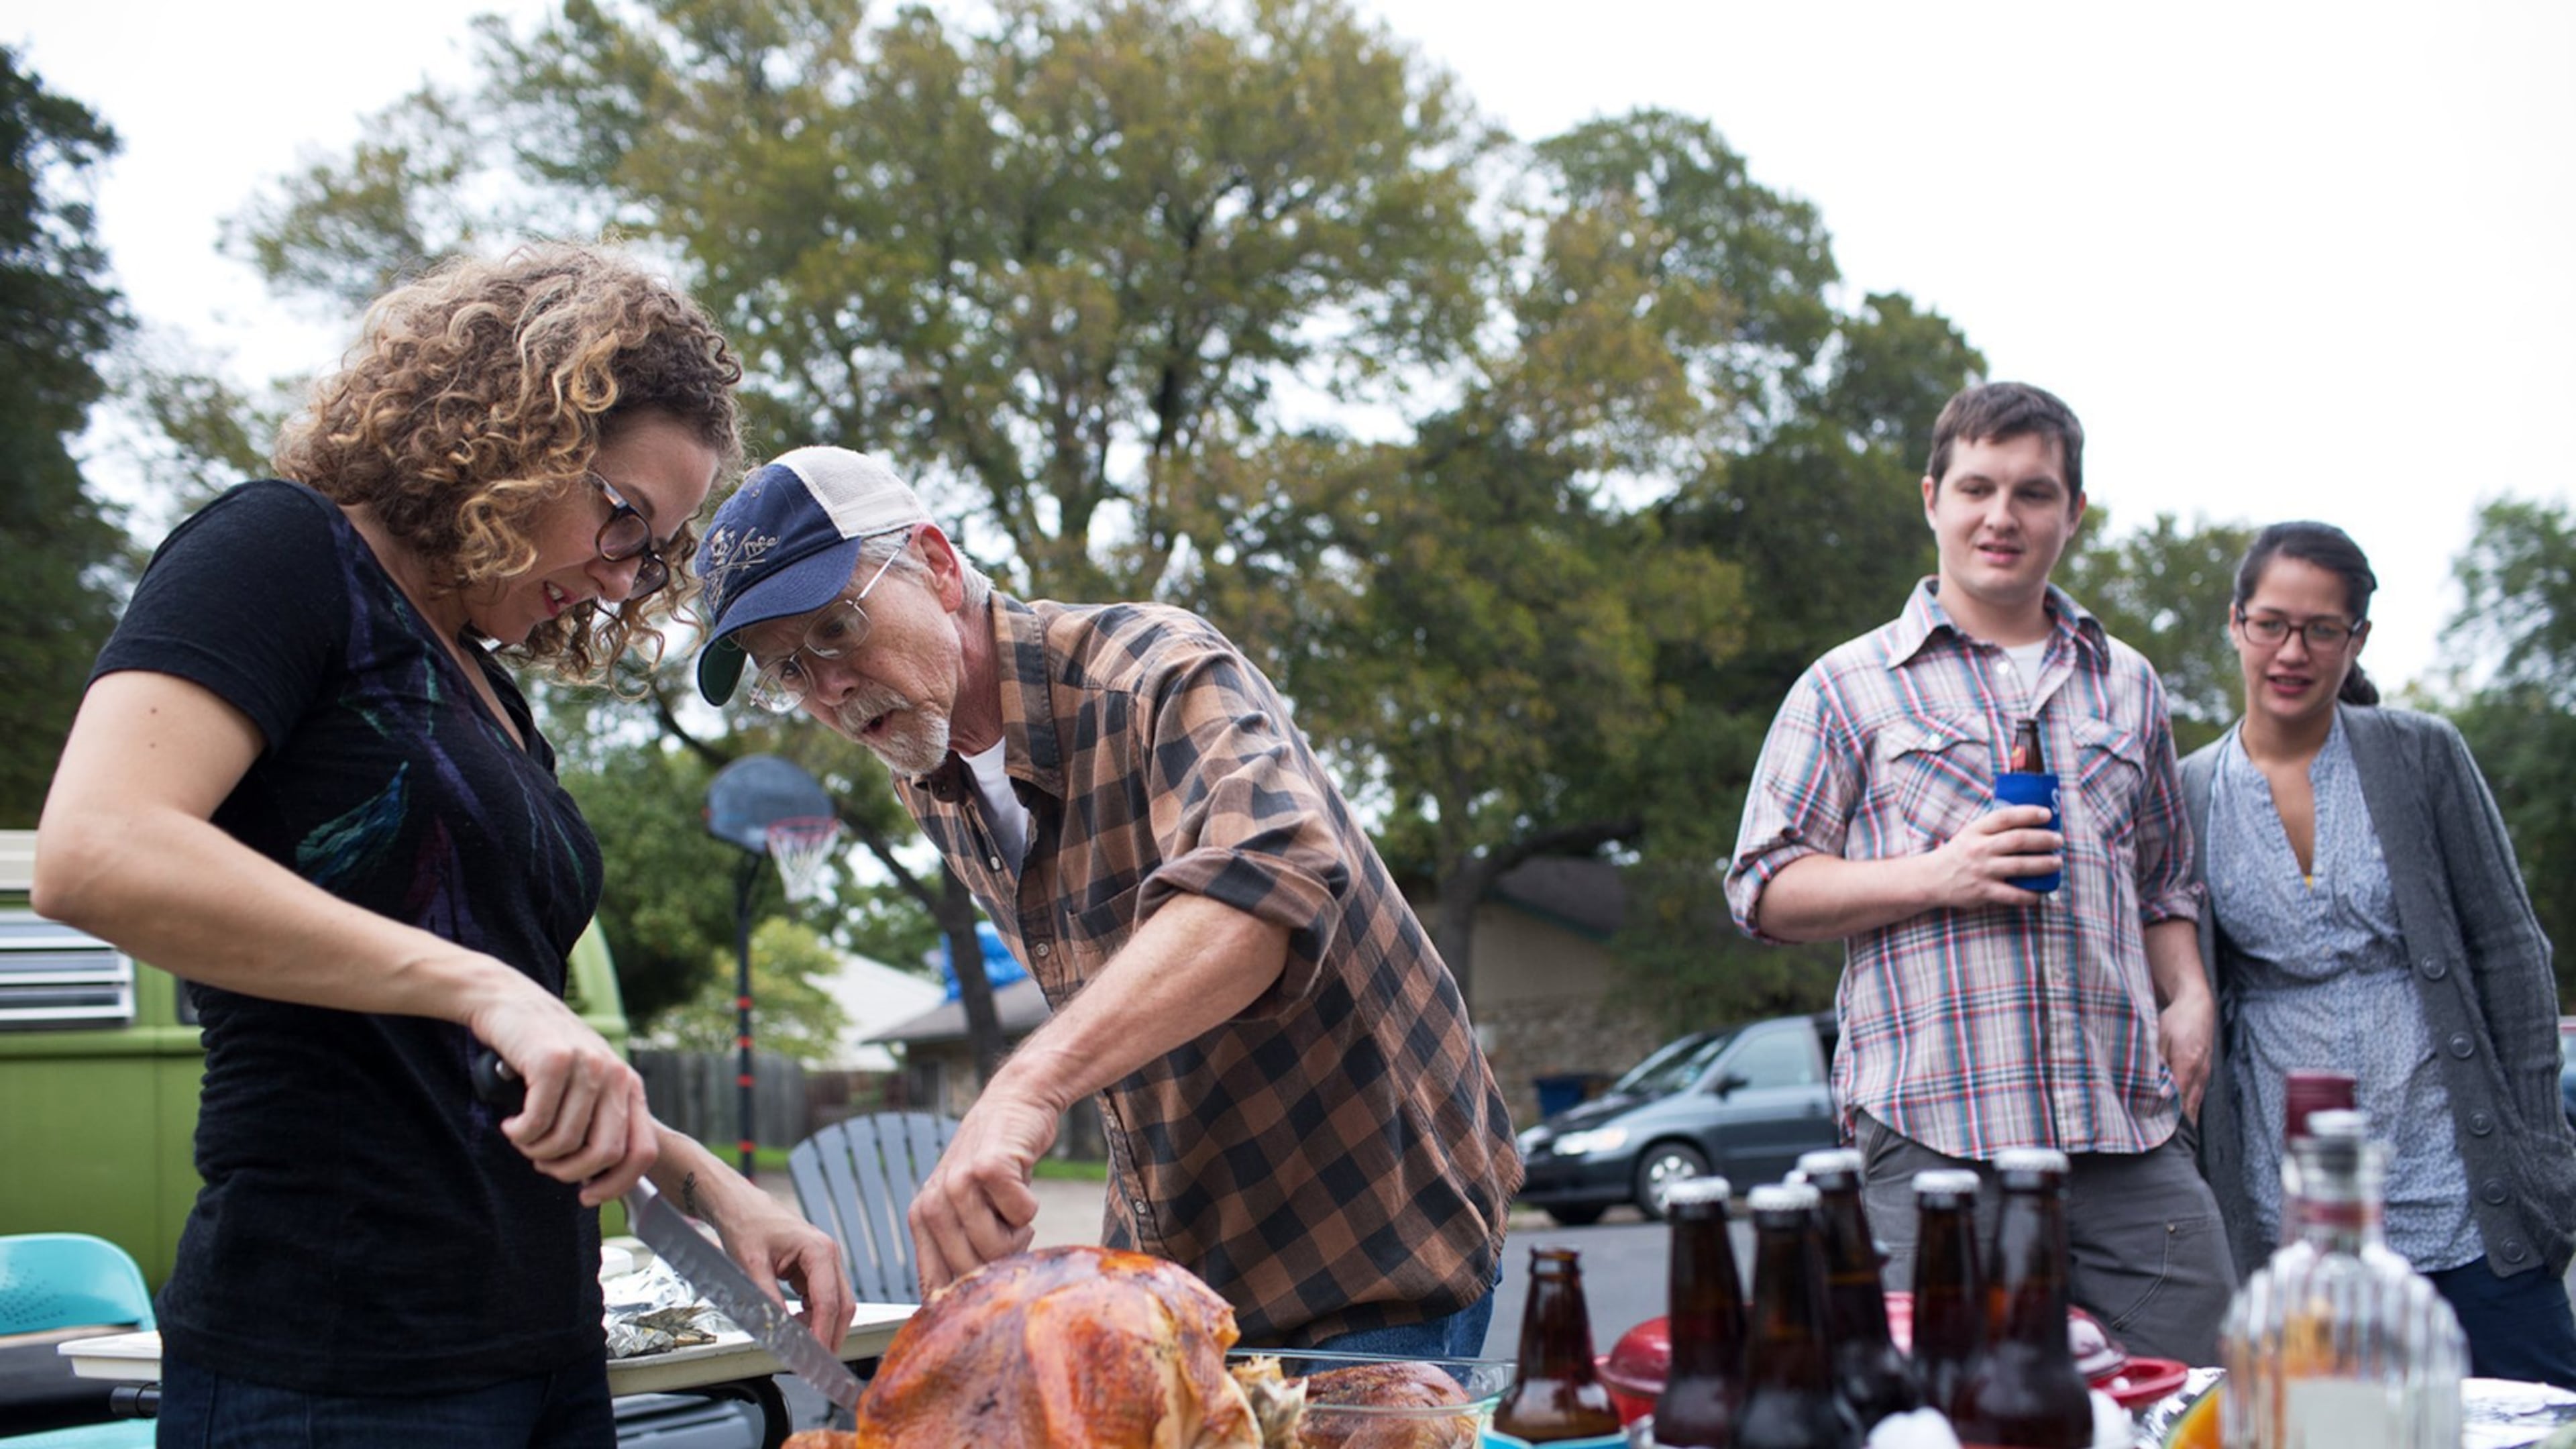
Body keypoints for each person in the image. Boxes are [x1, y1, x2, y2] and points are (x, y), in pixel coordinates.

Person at [34, 244, 851, 1445]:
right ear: (510, 427)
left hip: (544, 1346)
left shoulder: (495, 699)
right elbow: (95, 849)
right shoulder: (284, 552)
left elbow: (490, 1054)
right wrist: (480, 988)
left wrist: (703, 1180)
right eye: (620, 516)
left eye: (651, 553)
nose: (621, 577)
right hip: (335, 1362)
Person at [688, 445, 1520, 1354]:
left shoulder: (1156, 669)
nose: (830, 688)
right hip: (1186, 1274)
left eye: (836, 629)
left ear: (934, 564)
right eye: (789, 673)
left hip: (1372, 1244)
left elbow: (1270, 883)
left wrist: (1025, 1089)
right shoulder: (927, 771)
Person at [1723, 381, 2233, 1364]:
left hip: (2124, 1132)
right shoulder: (1847, 686)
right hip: (1936, 1141)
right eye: (1977, 488)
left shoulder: (2128, 682)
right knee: (1942, 1420)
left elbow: (2167, 885)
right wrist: (1938, 874)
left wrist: (2191, 995)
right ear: (1932, 500)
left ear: (2073, 514)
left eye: (2034, 493)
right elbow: (1762, 890)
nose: (2003, 516)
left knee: (2196, 1404)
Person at [2182, 521, 2576, 1388]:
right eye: (2273, 623)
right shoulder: (2189, 791)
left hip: (2459, 1180)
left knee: (2536, 1414)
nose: (2293, 650)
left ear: (2355, 639)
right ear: (2237, 621)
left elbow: (2512, 951)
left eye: (2323, 629)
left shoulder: (2420, 753)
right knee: (2334, 1424)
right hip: (2292, 1194)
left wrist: (2544, 1154)